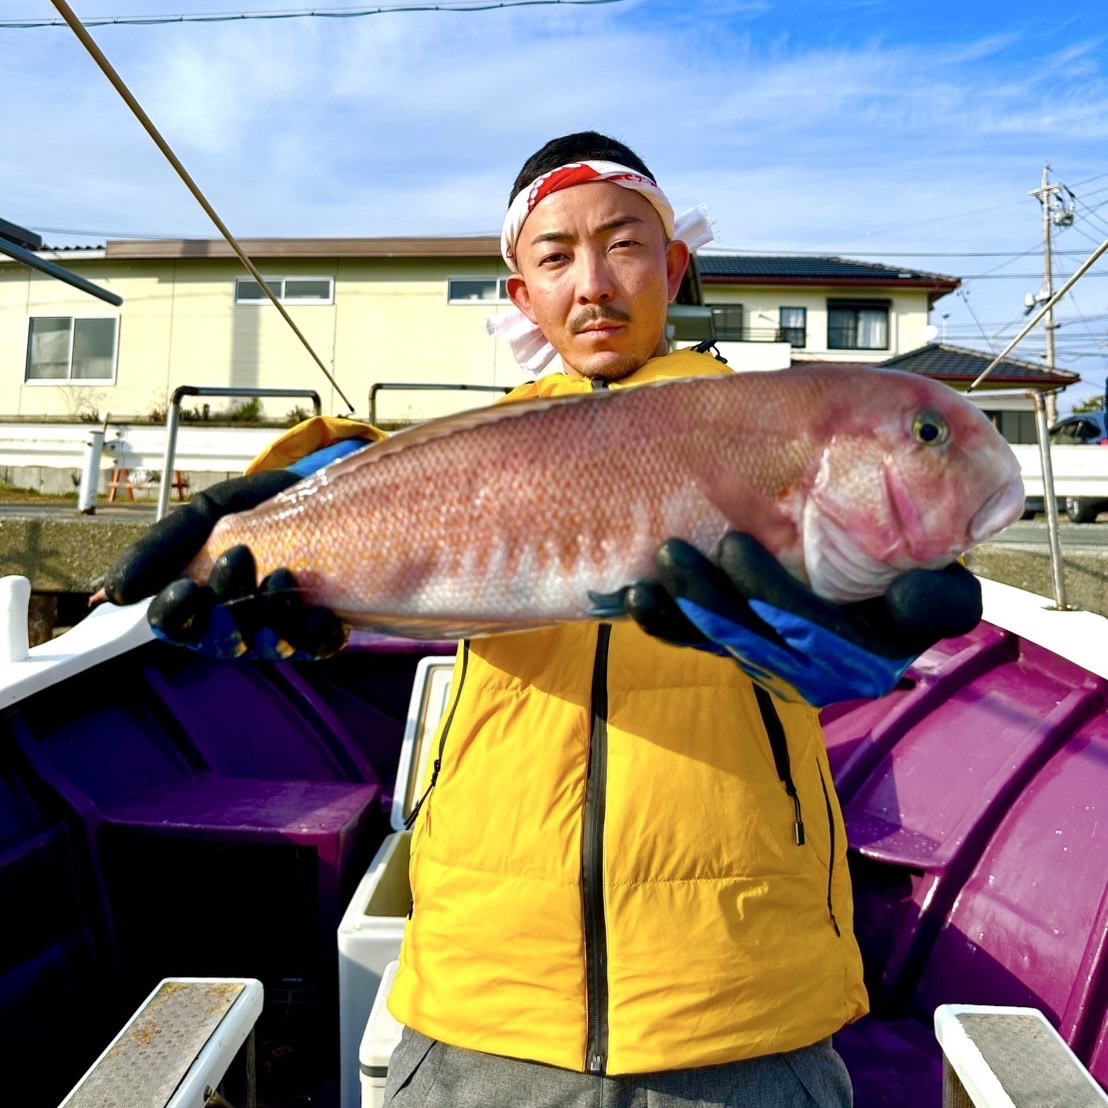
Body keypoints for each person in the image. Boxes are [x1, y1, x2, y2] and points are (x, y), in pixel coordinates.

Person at [98, 131, 982, 1107]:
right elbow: (419, 472)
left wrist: (873, 628)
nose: (592, 283)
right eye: (554, 256)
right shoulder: (470, 452)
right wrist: (297, 493)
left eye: (625, 244)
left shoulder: (774, 423)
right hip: (482, 990)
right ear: (521, 294)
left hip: (741, 1000)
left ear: (675, 266)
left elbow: (872, 580)